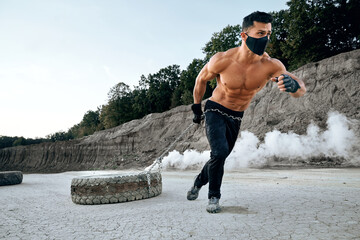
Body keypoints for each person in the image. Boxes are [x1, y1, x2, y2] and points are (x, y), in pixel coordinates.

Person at [187, 11, 306, 213]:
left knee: (220, 157)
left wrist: (294, 87)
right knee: (220, 152)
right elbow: (201, 80)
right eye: (260, 33)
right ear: (244, 35)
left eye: (268, 34)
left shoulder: (271, 66)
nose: (265, 39)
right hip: (215, 109)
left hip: (236, 116)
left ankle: (198, 182)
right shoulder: (223, 60)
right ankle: (214, 197)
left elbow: (300, 89)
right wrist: (197, 108)